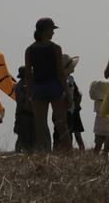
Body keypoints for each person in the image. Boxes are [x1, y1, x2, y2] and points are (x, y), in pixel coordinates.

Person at [24, 18, 69, 151]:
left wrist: (28, 97)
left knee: (40, 125)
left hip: (38, 88)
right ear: (45, 30)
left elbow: (28, 76)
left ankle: (42, 152)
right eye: (52, 29)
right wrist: (67, 92)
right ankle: (68, 151)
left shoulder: (29, 50)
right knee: (61, 123)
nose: (53, 32)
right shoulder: (55, 48)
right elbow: (60, 73)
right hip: (54, 86)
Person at [62, 55, 86, 151]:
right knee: (72, 131)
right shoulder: (67, 80)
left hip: (72, 108)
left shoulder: (70, 78)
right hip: (69, 109)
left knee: (73, 131)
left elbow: (77, 93)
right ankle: (73, 149)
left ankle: (77, 149)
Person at [12, 66, 35, 151]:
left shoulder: (21, 85)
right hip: (24, 113)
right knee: (24, 136)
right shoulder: (21, 86)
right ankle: (20, 151)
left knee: (27, 136)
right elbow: (21, 101)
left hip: (26, 113)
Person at [89, 80, 109, 150]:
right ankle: (106, 156)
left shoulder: (97, 101)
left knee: (98, 145)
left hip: (99, 127)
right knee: (107, 147)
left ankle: (95, 156)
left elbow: (92, 95)